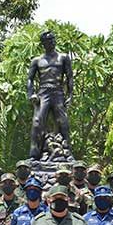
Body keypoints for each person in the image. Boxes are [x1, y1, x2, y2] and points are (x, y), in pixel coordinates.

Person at [27, 30, 73, 159]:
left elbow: (69, 77)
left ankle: (67, 152)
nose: (52, 42)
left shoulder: (63, 57)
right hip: (43, 93)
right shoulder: (37, 60)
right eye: (49, 40)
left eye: (53, 39)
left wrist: (70, 95)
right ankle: (35, 154)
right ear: (43, 43)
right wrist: (31, 94)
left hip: (58, 92)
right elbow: (30, 78)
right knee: (37, 122)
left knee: (63, 122)